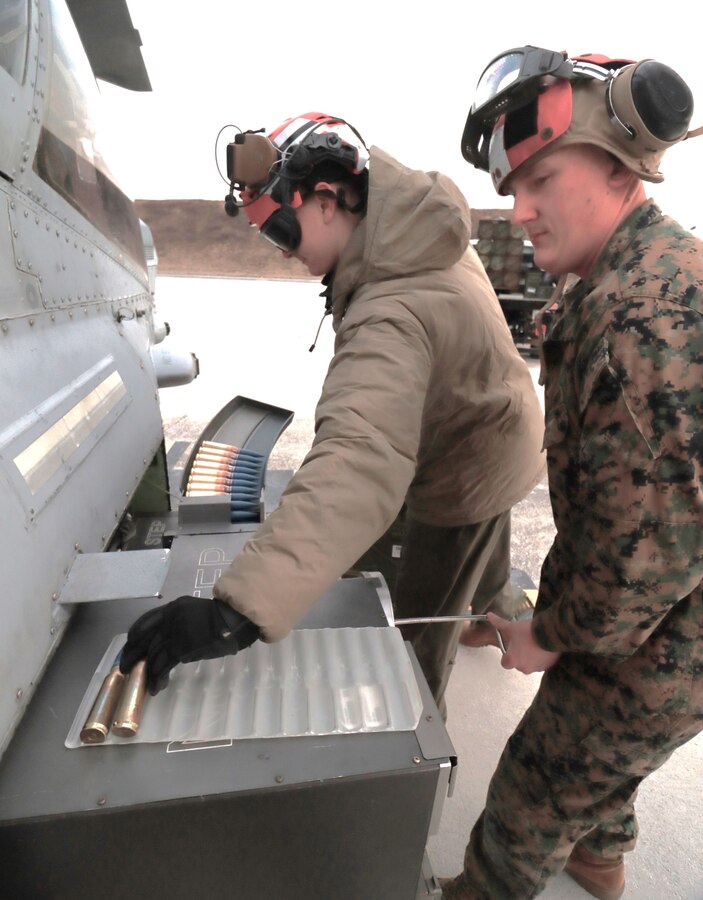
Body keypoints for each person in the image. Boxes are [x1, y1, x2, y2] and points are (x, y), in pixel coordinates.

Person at [119, 112, 545, 718]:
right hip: (492, 429)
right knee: (485, 566)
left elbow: (358, 461)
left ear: (324, 200)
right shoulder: (415, 233)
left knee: (412, 643)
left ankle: (417, 757)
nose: (283, 252)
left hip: (464, 469)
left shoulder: (390, 308)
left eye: (282, 231)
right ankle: (499, 612)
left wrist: (236, 611)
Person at [440, 47, 703, 899]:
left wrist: (548, 637)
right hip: (664, 617)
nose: (517, 211)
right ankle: (598, 852)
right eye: (510, 187)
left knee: (528, 797)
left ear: (618, 163)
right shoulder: (637, 275)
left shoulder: (641, 315)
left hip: (669, 637)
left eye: (540, 178)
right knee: (601, 756)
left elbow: (641, 561)